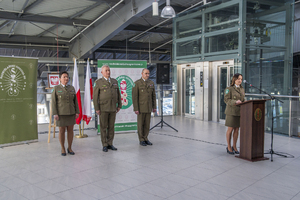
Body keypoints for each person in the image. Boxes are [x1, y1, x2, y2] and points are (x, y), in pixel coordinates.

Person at [93, 65, 122, 152]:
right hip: (103, 108)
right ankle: (104, 144)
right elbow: (95, 97)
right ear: (102, 72)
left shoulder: (114, 81)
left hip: (113, 107)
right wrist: (97, 108)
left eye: (109, 70)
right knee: (103, 127)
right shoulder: (98, 82)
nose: (108, 72)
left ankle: (110, 143)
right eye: (106, 71)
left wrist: (119, 105)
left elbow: (118, 94)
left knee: (111, 127)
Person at [51, 71, 79, 156]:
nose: (66, 78)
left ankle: (69, 148)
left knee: (70, 131)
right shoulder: (56, 88)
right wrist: (55, 113)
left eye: (67, 77)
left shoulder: (72, 88)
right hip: (61, 114)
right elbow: (53, 102)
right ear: (60, 79)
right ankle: (63, 148)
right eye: (64, 77)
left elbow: (75, 101)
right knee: (62, 131)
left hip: (71, 113)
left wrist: (77, 111)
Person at [132, 69, 157, 146]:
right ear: (142, 73)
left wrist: (154, 107)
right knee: (140, 124)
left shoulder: (151, 83)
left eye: (148, 73)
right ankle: (141, 139)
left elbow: (153, 96)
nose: (147, 75)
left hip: (148, 107)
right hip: (141, 107)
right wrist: (136, 108)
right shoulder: (137, 83)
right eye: (146, 73)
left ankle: (146, 138)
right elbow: (134, 97)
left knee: (147, 124)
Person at [224, 73, 245, 154]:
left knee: (237, 129)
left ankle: (234, 146)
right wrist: (235, 101)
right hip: (231, 112)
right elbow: (226, 100)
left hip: (239, 112)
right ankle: (229, 146)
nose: (240, 81)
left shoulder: (242, 89)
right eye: (238, 79)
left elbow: (243, 99)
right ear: (234, 79)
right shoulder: (229, 88)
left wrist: (244, 102)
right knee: (231, 129)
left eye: (241, 79)